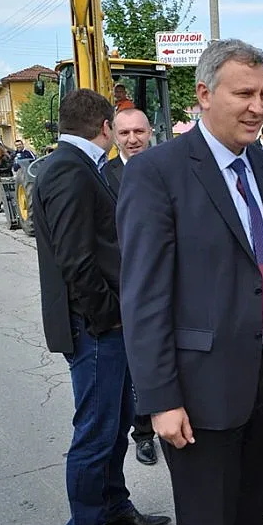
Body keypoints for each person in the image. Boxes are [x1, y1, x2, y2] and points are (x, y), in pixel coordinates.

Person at [116, 39, 263, 525]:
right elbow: (145, 297)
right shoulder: (157, 172)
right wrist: (160, 400)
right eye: (243, 93)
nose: (257, 107)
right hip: (197, 391)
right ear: (204, 94)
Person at [33, 89, 170, 525]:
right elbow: (76, 259)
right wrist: (109, 314)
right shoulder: (70, 169)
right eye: (119, 126)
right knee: (95, 431)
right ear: (105, 127)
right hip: (96, 328)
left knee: (113, 427)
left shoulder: (77, 164)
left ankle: (113, 507)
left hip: (109, 324)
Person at [103, 108, 158, 466]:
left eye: (139, 131)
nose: (132, 139)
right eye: (124, 133)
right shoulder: (104, 176)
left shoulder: (166, 168)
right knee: (138, 364)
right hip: (126, 284)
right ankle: (143, 435)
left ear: (150, 131)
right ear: (112, 135)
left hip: (166, 279)